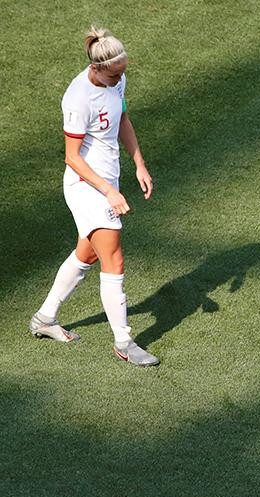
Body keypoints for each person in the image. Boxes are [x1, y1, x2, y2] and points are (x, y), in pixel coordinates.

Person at [29, 26, 158, 366]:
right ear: (98, 68)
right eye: (115, 75)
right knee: (113, 259)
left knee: (86, 254)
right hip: (86, 187)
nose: (120, 79)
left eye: (123, 73)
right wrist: (109, 192)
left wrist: (139, 165)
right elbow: (72, 158)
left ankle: (44, 318)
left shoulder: (116, 79)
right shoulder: (78, 98)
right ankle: (124, 342)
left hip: (107, 183)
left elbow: (123, 119)